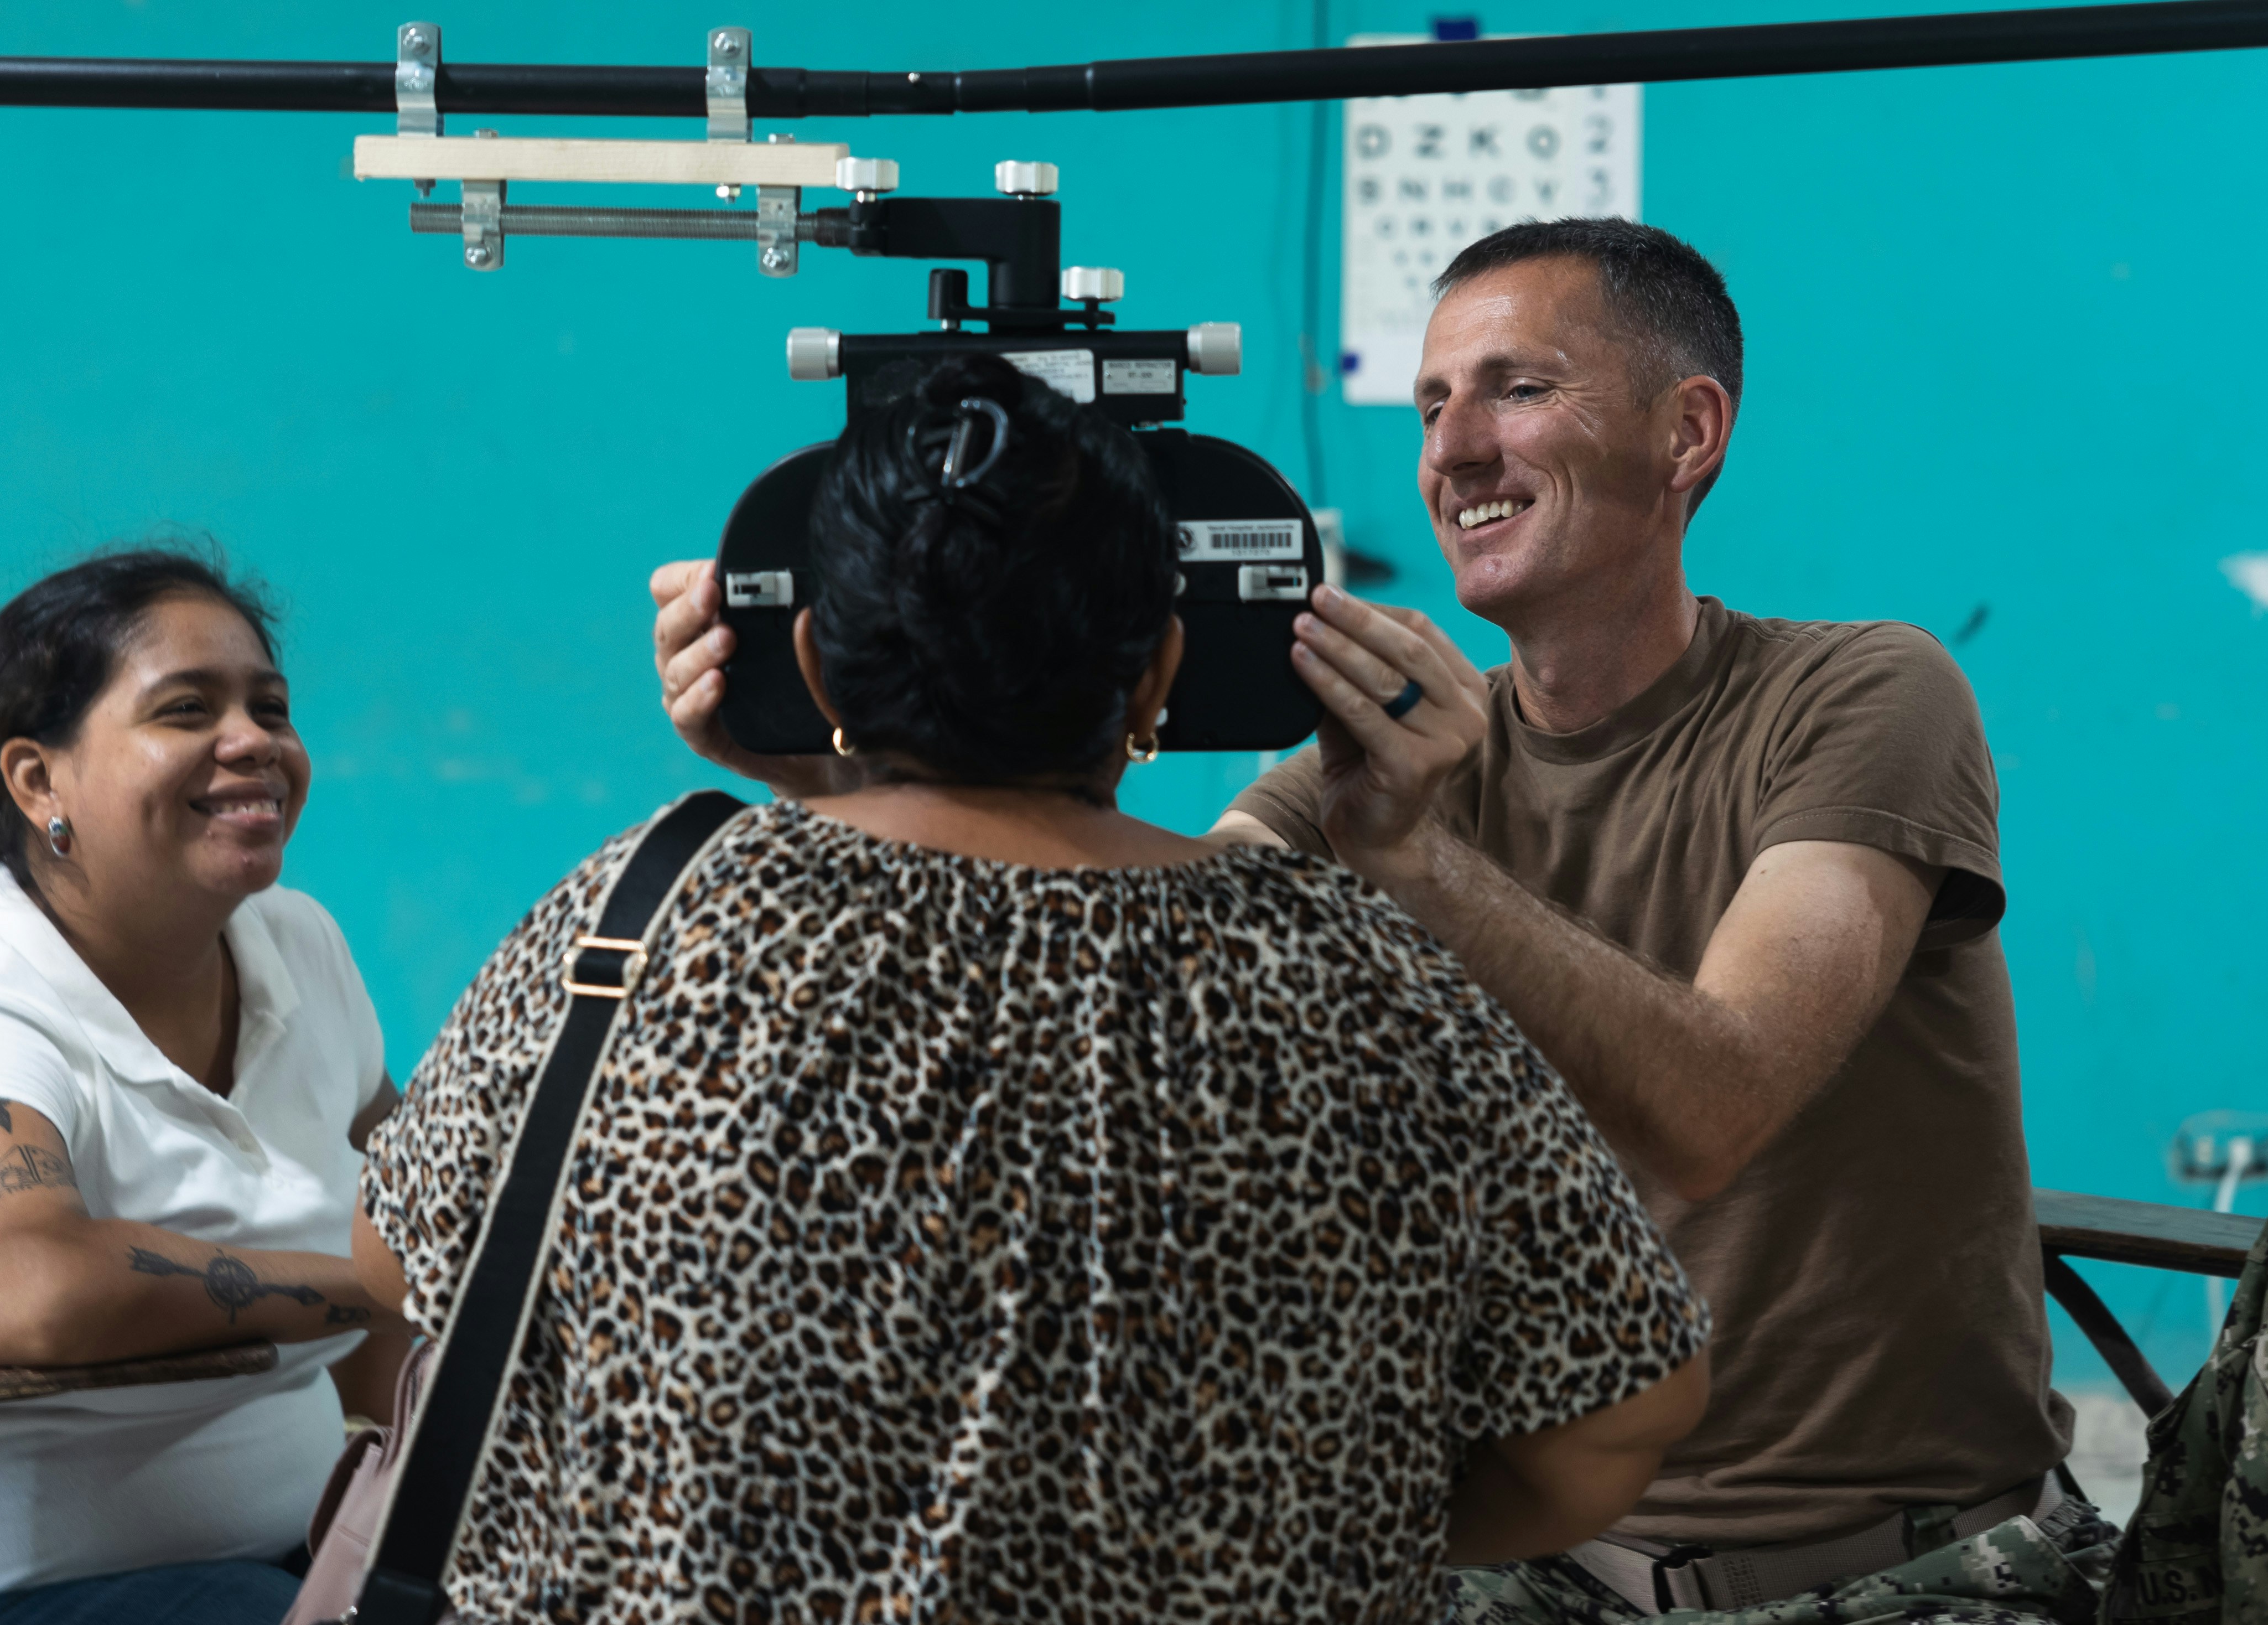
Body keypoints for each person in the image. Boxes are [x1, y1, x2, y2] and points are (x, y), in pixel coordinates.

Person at [652, 223, 2109, 1623]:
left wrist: (1414, 862)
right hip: (1529, 1562)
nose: (1451, 451)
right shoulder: (1366, 779)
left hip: (1884, 1571)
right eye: (1427, 406)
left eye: (1516, 390)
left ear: (1687, 432)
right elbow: (1076, 978)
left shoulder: (1863, 696)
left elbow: (1714, 1105)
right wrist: (860, 767)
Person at [363, 354, 1711, 1623]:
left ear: (821, 662)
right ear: (1161, 680)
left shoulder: (639, 920)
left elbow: (392, 1270)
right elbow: (1618, 1417)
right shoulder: (1377, 983)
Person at [0, 550, 411, 1625]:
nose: (254, 741)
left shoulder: (303, 948)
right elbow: (22, 1289)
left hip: (274, 1563)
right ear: (39, 780)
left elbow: (421, 1215)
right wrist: (369, 1280)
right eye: (186, 709)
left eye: (270, 708)